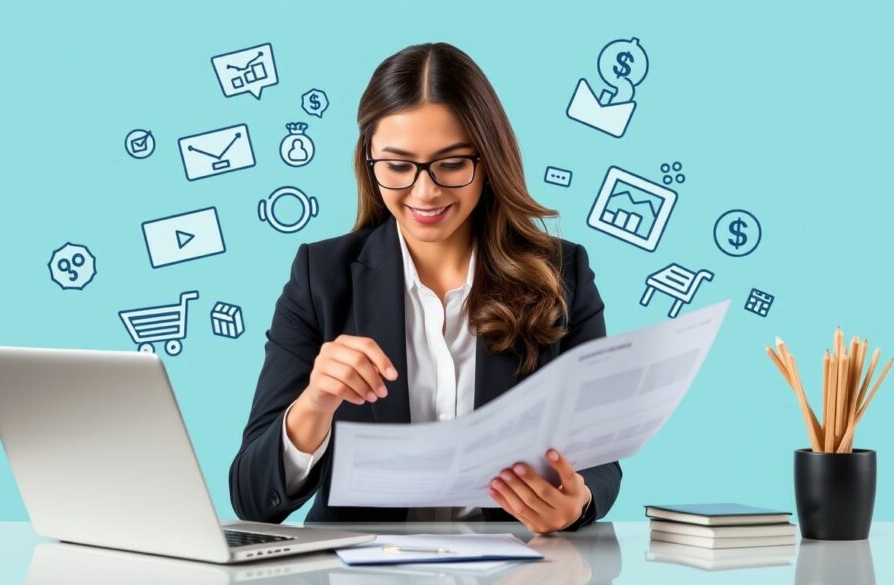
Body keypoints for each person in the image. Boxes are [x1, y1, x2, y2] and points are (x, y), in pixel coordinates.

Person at [229, 42, 622, 534]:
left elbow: (601, 461)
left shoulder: (561, 272)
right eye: (397, 166)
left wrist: (578, 502)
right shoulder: (321, 276)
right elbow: (251, 499)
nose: (425, 192)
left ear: (490, 158)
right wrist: (313, 405)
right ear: (368, 162)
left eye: (452, 163)